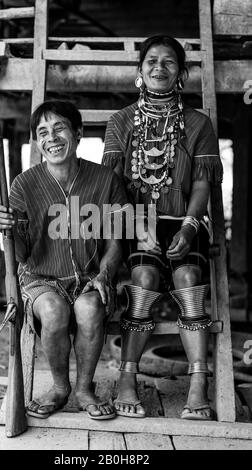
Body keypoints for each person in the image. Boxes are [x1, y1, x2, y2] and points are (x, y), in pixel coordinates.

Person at [102, 35, 223, 420]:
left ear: (181, 72)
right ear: (140, 71)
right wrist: (137, 223)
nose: (159, 68)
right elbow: (112, 184)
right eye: (151, 61)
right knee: (143, 280)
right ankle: (126, 379)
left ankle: (198, 385)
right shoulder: (120, 122)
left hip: (184, 220)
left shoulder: (198, 123)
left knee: (189, 280)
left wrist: (189, 228)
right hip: (138, 222)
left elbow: (202, 181)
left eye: (168, 62)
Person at [0, 100, 128, 420]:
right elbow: (21, 256)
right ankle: (58, 387)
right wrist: (8, 231)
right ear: (37, 143)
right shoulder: (23, 184)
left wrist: (105, 274)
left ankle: (83, 388)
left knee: (90, 306)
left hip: (91, 276)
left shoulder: (105, 179)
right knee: (53, 310)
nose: (51, 137)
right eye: (42, 132)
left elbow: (116, 241)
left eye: (59, 128)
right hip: (41, 277)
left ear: (78, 133)